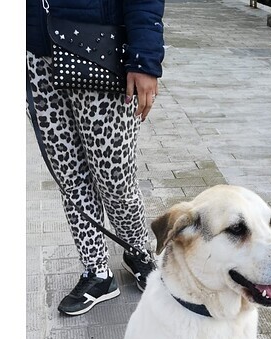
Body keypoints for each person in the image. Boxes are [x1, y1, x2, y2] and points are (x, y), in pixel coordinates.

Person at [26, 0, 164, 315]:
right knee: (69, 174)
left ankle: (138, 251)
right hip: (35, 54)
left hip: (99, 47)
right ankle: (96, 272)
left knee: (114, 176)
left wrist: (145, 58)